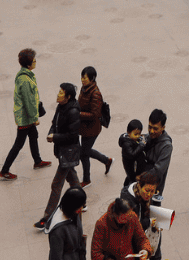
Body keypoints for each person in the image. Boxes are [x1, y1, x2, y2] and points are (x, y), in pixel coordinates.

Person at [37, 82, 84, 229]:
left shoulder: (73, 111)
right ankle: (82, 201)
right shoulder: (61, 106)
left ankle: (47, 217)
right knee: (73, 178)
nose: (58, 94)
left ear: (68, 96)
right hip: (62, 151)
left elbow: (73, 136)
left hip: (68, 152)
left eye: (61, 92)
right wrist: (52, 133)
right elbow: (55, 122)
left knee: (56, 184)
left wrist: (55, 137)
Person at [2, 48, 48, 180]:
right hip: (25, 117)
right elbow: (28, 101)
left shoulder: (25, 75)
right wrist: (34, 118)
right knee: (19, 143)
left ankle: (37, 161)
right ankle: (5, 170)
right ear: (29, 64)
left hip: (26, 116)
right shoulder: (25, 80)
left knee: (34, 135)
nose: (35, 62)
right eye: (34, 60)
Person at [77, 66, 112, 185]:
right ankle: (107, 161)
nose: (82, 79)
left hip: (92, 128)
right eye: (82, 77)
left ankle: (86, 179)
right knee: (85, 151)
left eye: (85, 77)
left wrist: (78, 114)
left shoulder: (96, 94)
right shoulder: (84, 89)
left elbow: (95, 114)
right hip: (84, 126)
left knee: (84, 153)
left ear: (92, 78)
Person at [91, 195, 150, 260]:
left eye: (130, 216)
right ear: (115, 215)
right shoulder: (101, 224)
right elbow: (95, 253)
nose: (128, 220)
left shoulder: (132, 216)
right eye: (125, 218)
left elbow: (142, 238)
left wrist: (145, 249)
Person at [45, 185, 87, 260]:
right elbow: (56, 256)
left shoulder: (74, 213)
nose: (81, 209)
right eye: (80, 206)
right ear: (72, 206)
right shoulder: (58, 230)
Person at [141, 110, 172, 199]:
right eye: (149, 127)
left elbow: (158, 170)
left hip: (154, 188)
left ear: (163, 127)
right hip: (142, 185)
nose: (151, 131)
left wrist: (140, 177)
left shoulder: (166, 146)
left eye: (155, 128)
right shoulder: (147, 137)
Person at [115, 120, 147, 192]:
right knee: (132, 179)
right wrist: (141, 146)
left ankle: (126, 188)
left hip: (134, 164)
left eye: (139, 134)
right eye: (136, 134)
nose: (138, 136)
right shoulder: (126, 144)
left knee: (130, 178)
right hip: (131, 165)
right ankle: (127, 191)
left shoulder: (134, 140)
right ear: (128, 133)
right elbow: (132, 155)